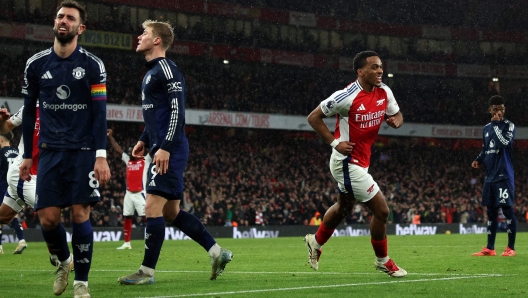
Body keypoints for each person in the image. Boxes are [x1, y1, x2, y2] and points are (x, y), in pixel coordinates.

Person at [117, 20, 232, 285]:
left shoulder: (167, 69)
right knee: (171, 212)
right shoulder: (151, 73)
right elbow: (159, 113)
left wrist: (165, 146)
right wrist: (144, 139)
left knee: (152, 206)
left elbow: (178, 111)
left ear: (157, 40)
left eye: (144, 33)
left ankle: (146, 272)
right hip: (161, 146)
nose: (139, 36)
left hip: (170, 148)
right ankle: (217, 252)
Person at [19, 1, 110, 297]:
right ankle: (65, 261)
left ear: (80, 28)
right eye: (60, 16)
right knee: (47, 218)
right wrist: (25, 155)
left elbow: (100, 115)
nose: (63, 21)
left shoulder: (93, 66)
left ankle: (81, 283)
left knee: (81, 215)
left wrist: (100, 155)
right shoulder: (36, 64)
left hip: (83, 151)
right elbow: (30, 111)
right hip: (49, 150)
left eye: (70, 18)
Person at [303, 50, 407, 277]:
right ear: (360, 72)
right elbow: (313, 117)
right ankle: (383, 261)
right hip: (346, 162)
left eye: (380, 66)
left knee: (343, 209)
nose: (380, 71)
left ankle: (315, 242)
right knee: (381, 211)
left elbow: (398, 115)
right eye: (374, 67)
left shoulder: (384, 92)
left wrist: (395, 122)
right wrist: (334, 143)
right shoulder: (346, 96)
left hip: (362, 161)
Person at [471, 95, 517, 257]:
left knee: (507, 210)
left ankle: (510, 248)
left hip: (504, 175)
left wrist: (496, 124)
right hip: (490, 177)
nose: (500, 112)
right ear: (490, 110)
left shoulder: (508, 126)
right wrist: (479, 159)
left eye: (502, 109)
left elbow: (503, 143)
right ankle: (490, 248)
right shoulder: (486, 128)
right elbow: (486, 148)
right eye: (496, 109)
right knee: (491, 212)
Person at [0, 105, 40, 255]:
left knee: (3, 217)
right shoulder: (32, 107)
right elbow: (5, 128)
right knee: (48, 213)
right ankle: (64, 259)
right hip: (24, 174)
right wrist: (1, 121)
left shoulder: (66, 110)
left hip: (39, 175)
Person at [107, 129, 150, 249]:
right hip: (129, 194)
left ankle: (150, 240)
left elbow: (152, 150)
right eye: (130, 151)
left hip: (140, 193)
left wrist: (151, 136)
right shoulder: (128, 161)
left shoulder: (145, 161)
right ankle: (127, 243)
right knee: (127, 216)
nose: (131, 152)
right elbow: (118, 149)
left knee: (146, 218)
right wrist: (110, 137)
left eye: (133, 150)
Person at [0, 131, 26, 254]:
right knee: (12, 214)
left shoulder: (0, 153)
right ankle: (21, 239)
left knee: (1, 216)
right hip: (16, 185)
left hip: (2, 185)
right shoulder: (17, 152)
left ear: (1, 140)